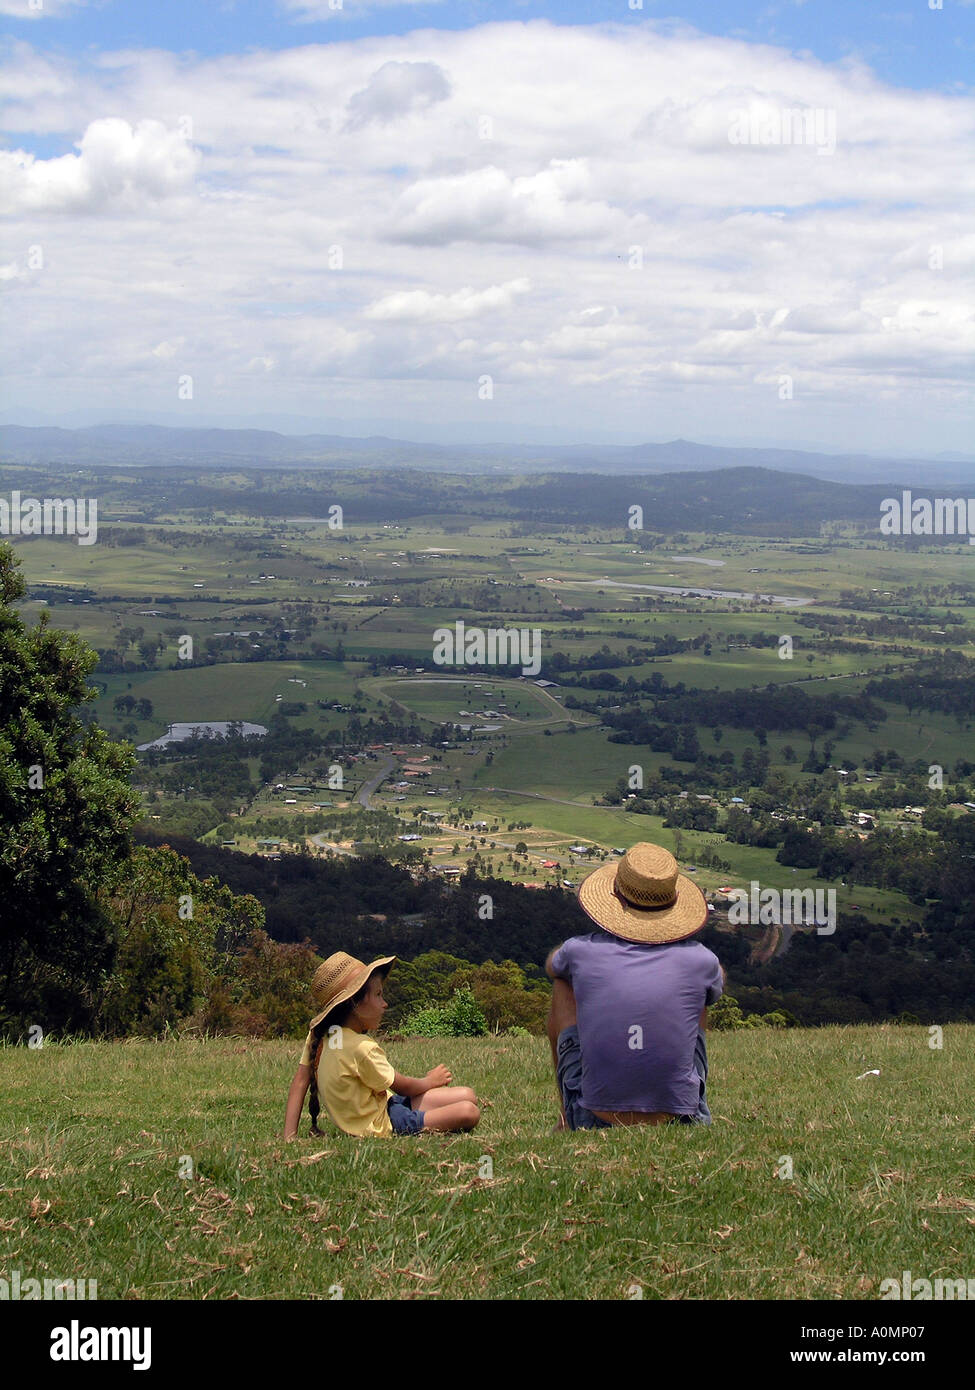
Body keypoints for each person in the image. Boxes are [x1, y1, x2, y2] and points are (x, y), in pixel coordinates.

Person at [546, 842, 724, 1129]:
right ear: (675, 898)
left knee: (563, 983)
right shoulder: (702, 960)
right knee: (700, 995)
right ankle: (694, 1106)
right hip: (681, 1120)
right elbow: (718, 981)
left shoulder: (579, 950)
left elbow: (553, 966)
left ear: (615, 895)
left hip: (594, 1118)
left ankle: (568, 1115)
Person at [283, 951, 481, 1140]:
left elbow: (300, 1082)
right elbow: (403, 1086)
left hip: (384, 1106)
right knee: (468, 1111)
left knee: (467, 1095)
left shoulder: (321, 1034)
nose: (385, 1003)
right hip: (384, 1125)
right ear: (354, 1003)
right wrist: (429, 1080)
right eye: (378, 995)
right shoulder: (361, 1048)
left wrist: (289, 1137)